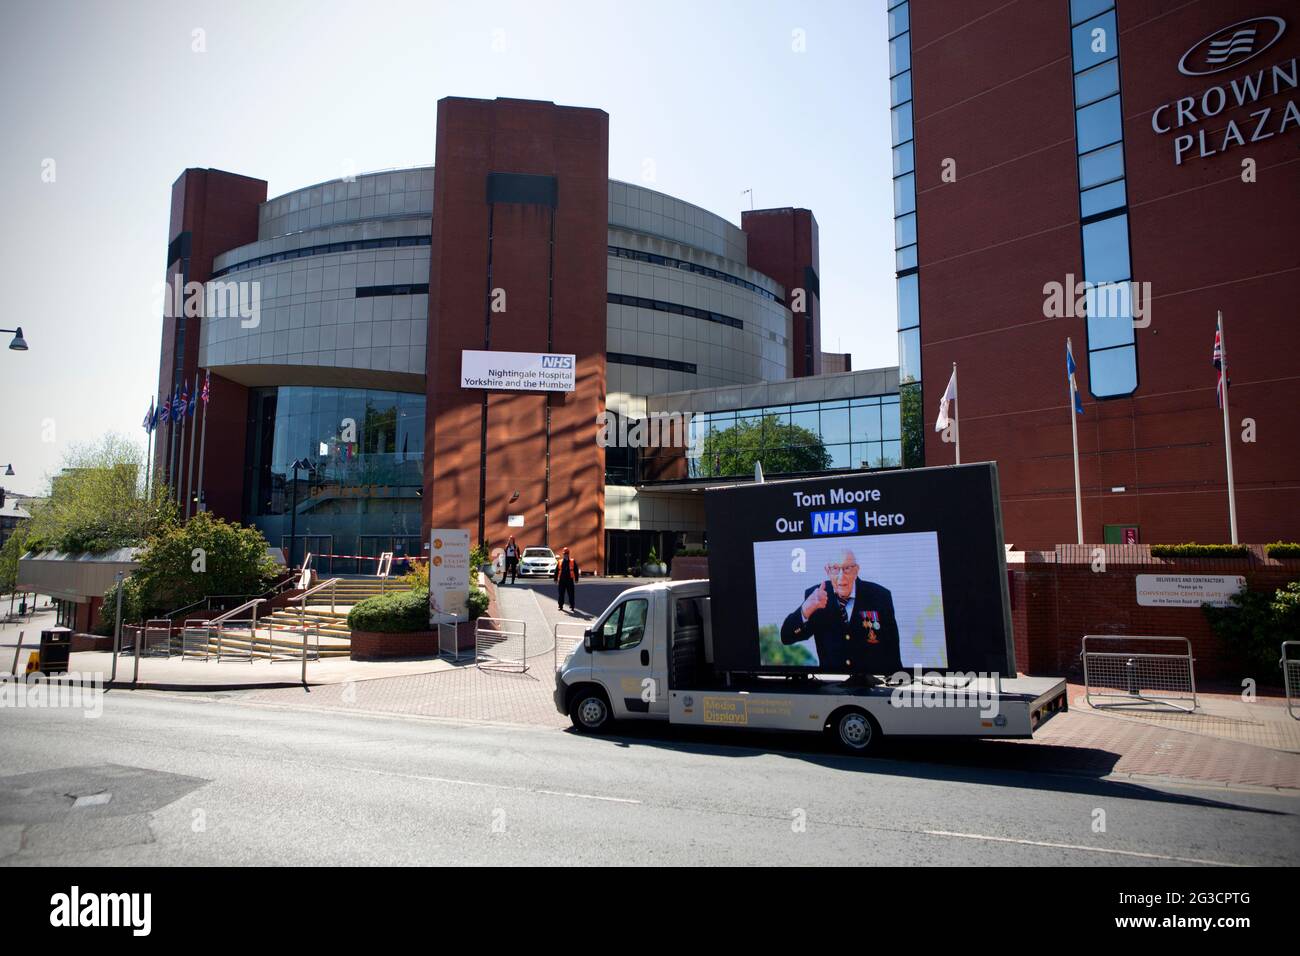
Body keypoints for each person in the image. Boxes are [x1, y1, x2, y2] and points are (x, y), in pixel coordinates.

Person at [779, 548, 902, 676]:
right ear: (827, 571)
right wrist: (806, 609)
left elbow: (892, 650)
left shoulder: (880, 596)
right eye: (835, 569)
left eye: (847, 568)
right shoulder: (816, 595)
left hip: (871, 684)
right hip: (831, 685)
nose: (841, 576)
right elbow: (786, 637)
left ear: (856, 570)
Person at [555, 547, 580, 612]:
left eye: (566, 553)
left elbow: (576, 570)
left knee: (571, 594)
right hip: (562, 580)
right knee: (561, 594)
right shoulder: (560, 561)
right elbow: (556, 571)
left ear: (568, 554)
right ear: (563, 554)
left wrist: (576, 579)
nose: (565, 555)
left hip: (570, 580)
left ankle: (572, 606)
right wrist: (555, 579)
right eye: (564, 554)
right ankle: (560, 606)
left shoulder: (572, 561)